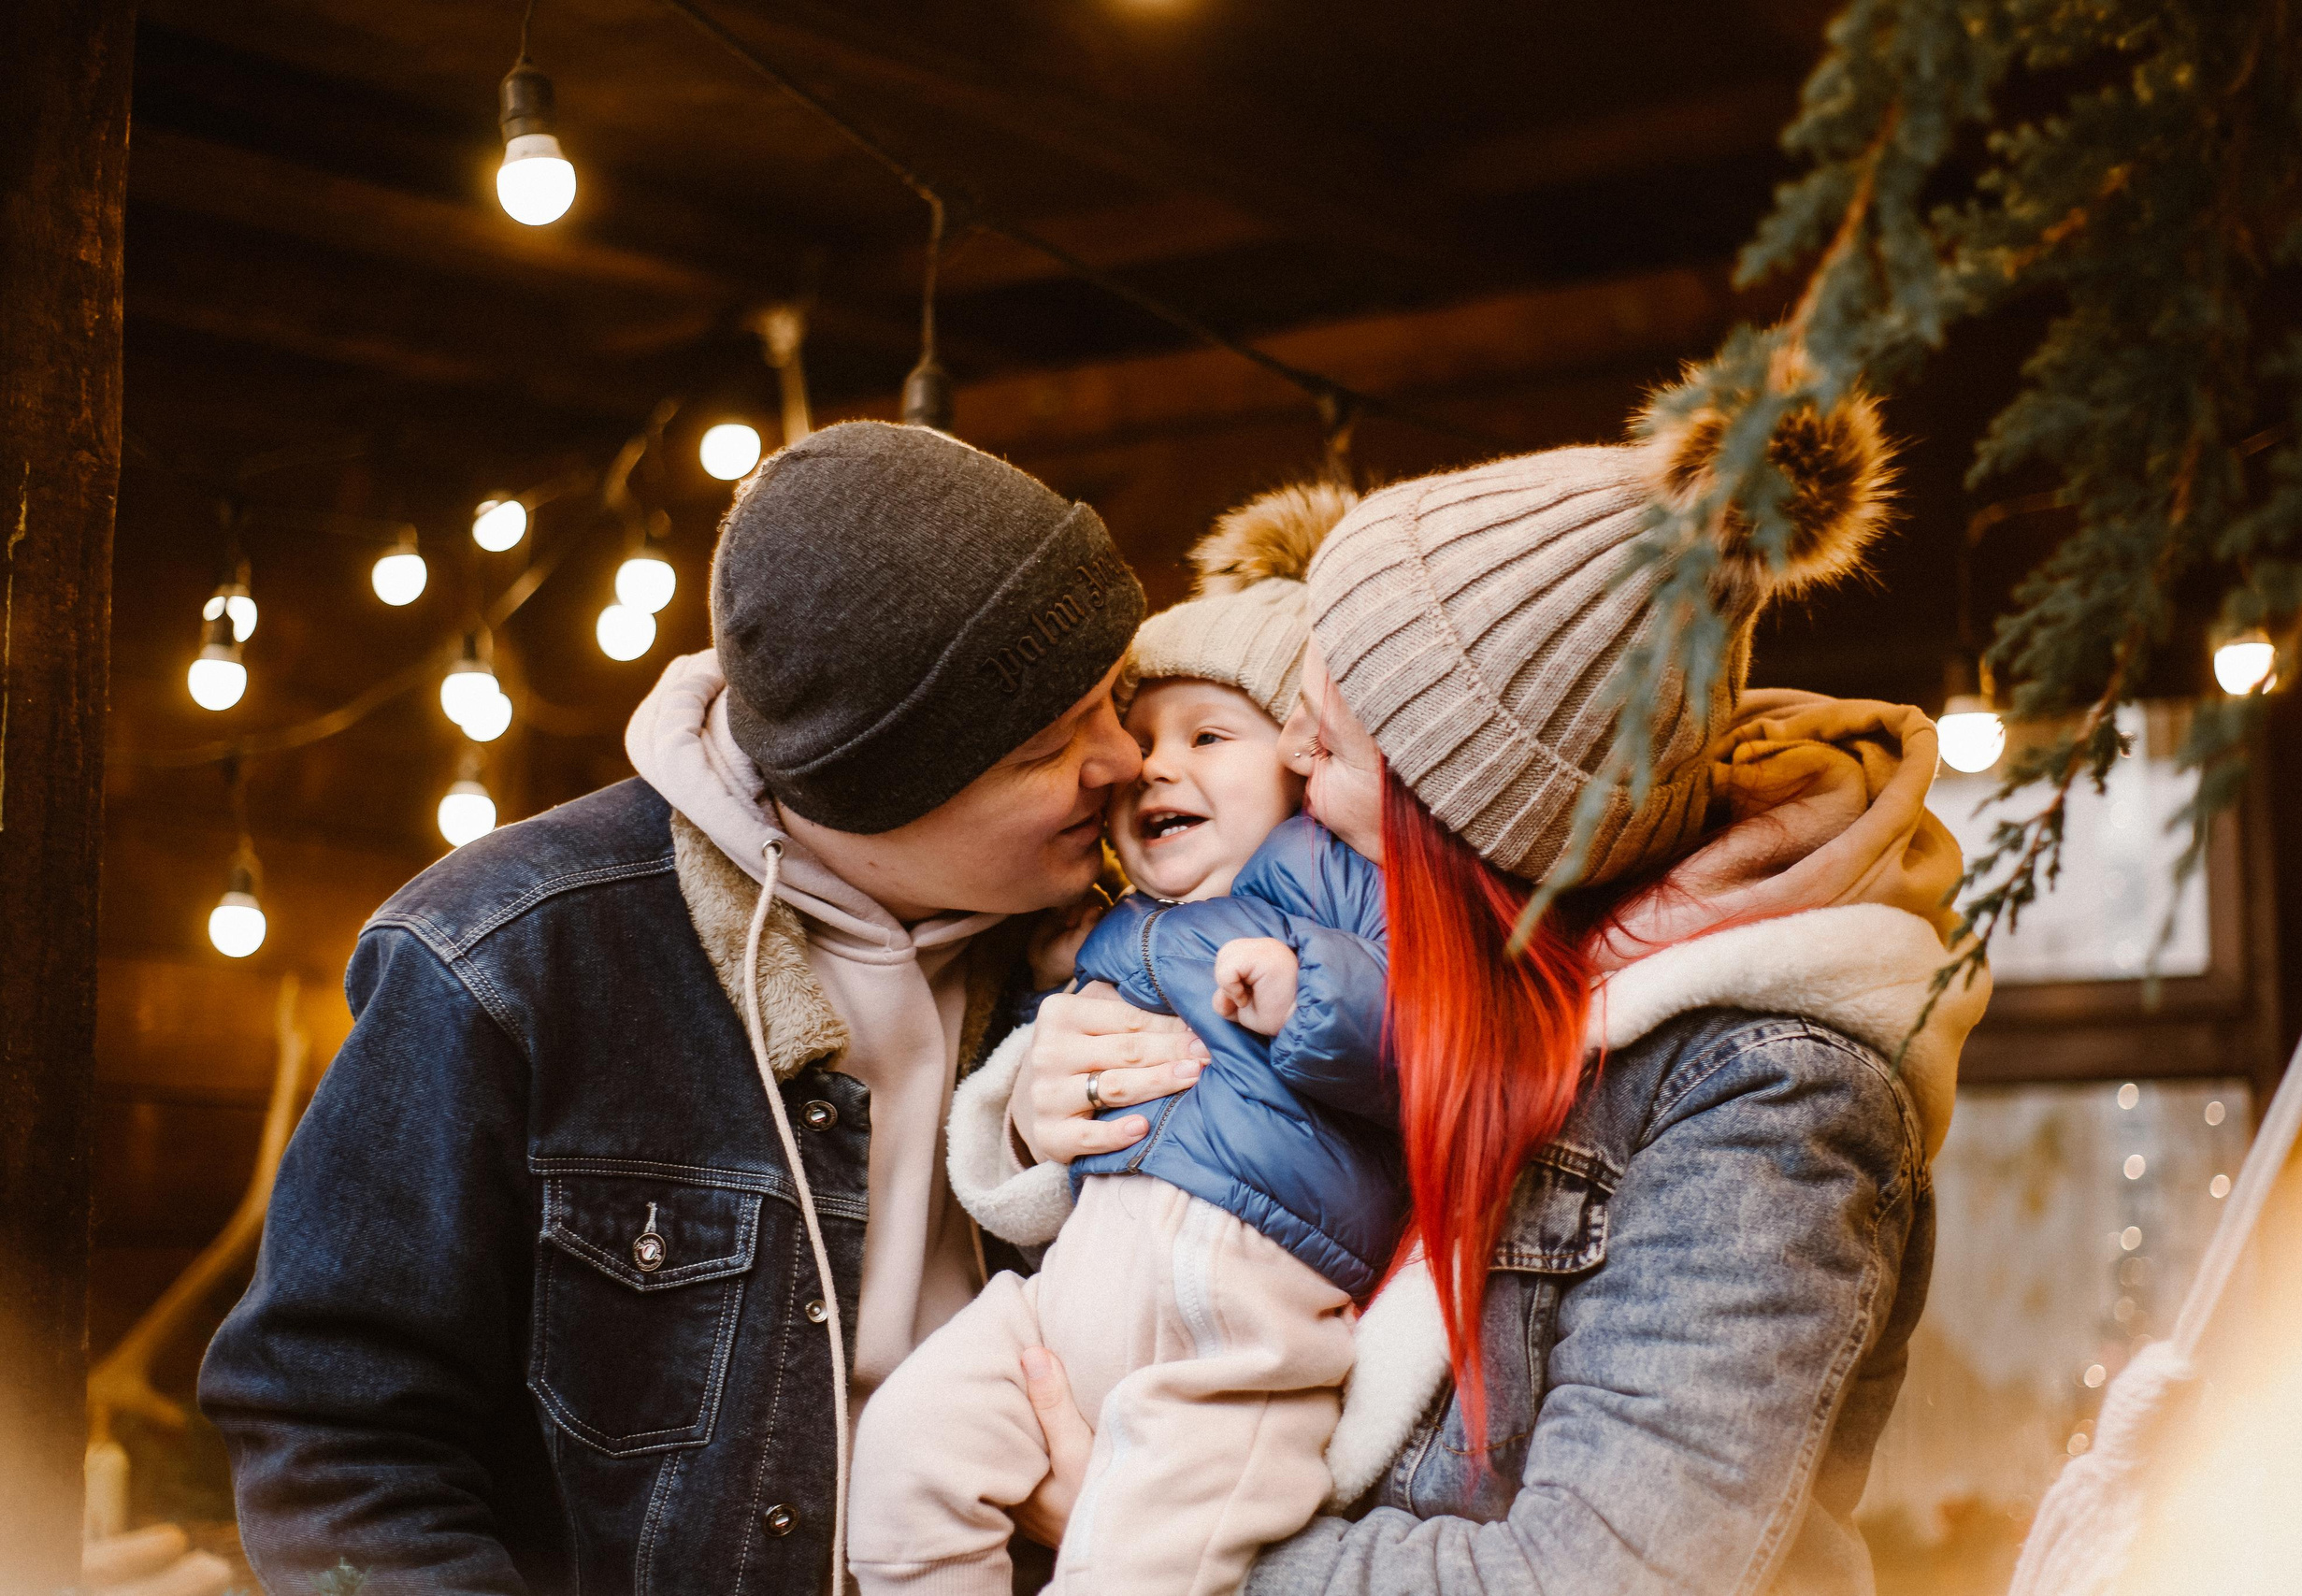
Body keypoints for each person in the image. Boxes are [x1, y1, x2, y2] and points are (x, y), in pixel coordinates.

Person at [957, 386, 1993, 1592]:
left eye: (1328, 742)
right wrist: (1044, 1107)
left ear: (1460, 813)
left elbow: (1601, 1575)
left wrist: (1181, 1548)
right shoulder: (1407, 970)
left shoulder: (1766, 1099)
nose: (1288, 757)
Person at [197, 422, 1197, 1594]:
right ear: (874, 788)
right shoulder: (508, 955)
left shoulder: (1142, 943)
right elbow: (335, 1427)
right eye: (1049, 743)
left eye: (1111, 701)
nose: (1127, 759)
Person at [849, 484, 1397, 1595]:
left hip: (1238, 1343)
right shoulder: (1106, 924)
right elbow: (1036, 1129)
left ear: (1303, 758)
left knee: (1133, 1570)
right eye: (1138, 739)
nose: (1154, 765)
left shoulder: (1333, 883)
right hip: (1068, 1303)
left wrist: (1313, 994)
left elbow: (1431, 1039)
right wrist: (1049, 998)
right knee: (904, 1452)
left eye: (1207, 735)